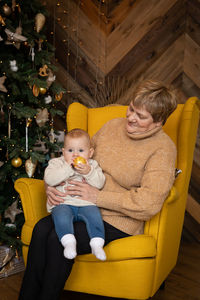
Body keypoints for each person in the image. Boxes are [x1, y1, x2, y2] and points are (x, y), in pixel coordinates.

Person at [18, 79, 177, 300]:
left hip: (118, 218)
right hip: (77, 204)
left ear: (158, 122)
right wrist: (50, 186)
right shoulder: (112, 126)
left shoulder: (163, 149)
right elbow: (76, 157)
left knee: (57, 239)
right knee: (41, 230)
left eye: (141, 116)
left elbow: (149, 203)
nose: (130, 118)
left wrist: (98, 196)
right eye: (131, 108)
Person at [44, 128, 106, 261]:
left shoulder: (92, 165)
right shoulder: (57, 163)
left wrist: (88, 172)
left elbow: (100, 183)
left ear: (90, 153)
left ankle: (97, 243)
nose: (75, 155)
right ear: (63, 151)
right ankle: (68, 242)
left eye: (81, 151)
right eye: (70, 150)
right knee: (61, 216)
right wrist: (67, 168)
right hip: (63, 203)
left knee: (95, 215)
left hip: (86, 204)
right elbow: (49, 179)